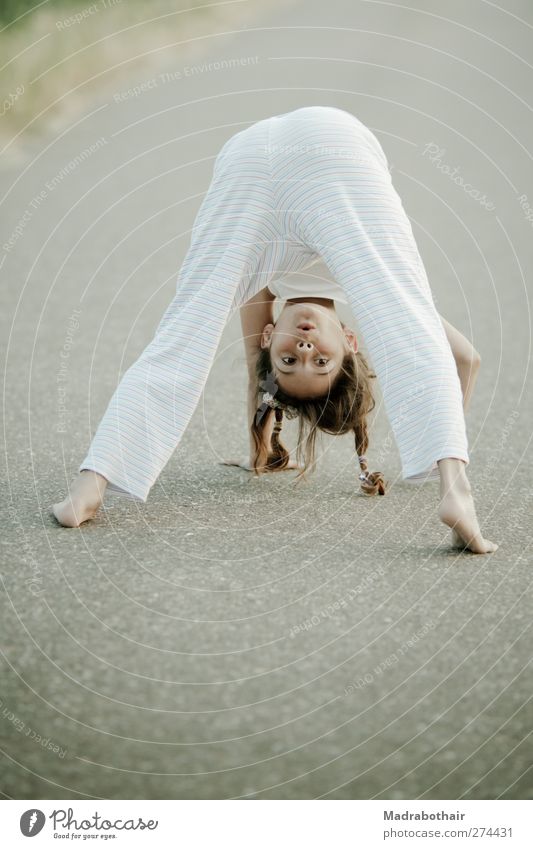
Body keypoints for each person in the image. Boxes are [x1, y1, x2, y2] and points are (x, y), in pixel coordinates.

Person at [52, 105, 497, 553]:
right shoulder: (362, 279)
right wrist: (446, 458)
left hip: (247, 162)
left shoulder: (262, 274)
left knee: (183, 333)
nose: (304, 346)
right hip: (334, 148)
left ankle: (90, 485)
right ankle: (456, 492)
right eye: (320, 360)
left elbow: (255, 369)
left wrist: (260, 449)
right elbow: (465, 359)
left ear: (268, 338)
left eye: (289, 360)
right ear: (349, 340)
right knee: (409, 326)